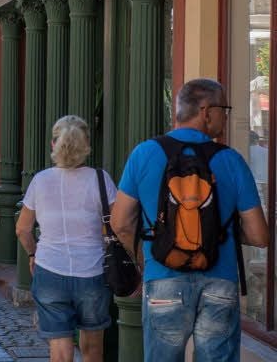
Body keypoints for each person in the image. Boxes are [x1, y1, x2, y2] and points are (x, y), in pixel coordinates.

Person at [110, 79, 269, 361]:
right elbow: (259, 236)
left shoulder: (145, 153)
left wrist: (142, 257)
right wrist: (221, 231)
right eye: (225, 109)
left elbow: (120, 222)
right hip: (220, 281)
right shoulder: (231, 160)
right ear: (206, 111)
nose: (227, 115)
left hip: (163, 278)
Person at [15, 116, 113, 362]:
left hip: (50, 269)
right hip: (92, 271)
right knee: (92, 348)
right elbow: (120, 224)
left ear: (52, 144)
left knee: (60, 349)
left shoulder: (41, 180)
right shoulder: (100, 179)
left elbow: (22, 229)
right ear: (87, 144)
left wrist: (32, 253)